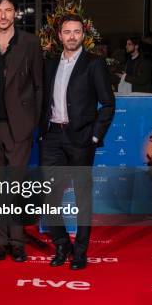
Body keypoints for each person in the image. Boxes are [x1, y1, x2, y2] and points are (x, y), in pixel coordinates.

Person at [39, 14, 115, 270]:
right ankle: (62, 244)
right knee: (50, 196)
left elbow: (108, 104)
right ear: (59, 35)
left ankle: (80, 251)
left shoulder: (94, 64)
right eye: (67, 31)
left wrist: (94, 137)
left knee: (83, 198)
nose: (72, 36)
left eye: (77, 31)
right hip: (52, 137)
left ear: (83, 35)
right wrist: (41, 131)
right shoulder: (49, 64)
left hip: (81, 139)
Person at [0, 0, 43, 262]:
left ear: (15, 12)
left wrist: (32, 122)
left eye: (8, 10)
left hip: (19, 126)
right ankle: (0, 241)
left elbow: (39, 85)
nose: (3, 15)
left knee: (15, 187)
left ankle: (17, 242)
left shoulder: (30, 42)